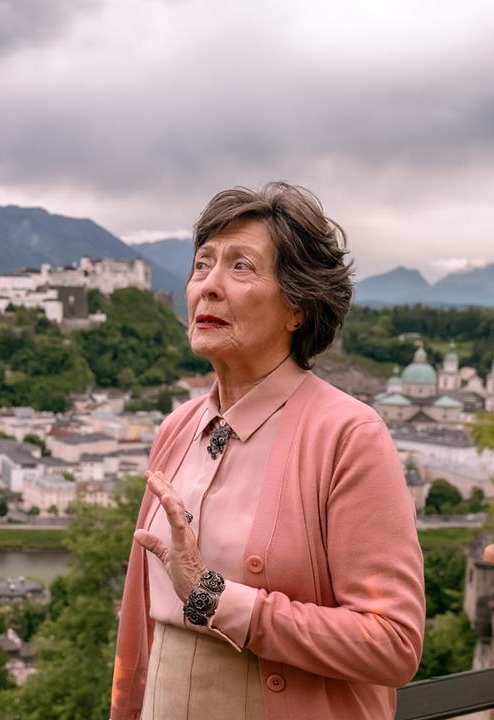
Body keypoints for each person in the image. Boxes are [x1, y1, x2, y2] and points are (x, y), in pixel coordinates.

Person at [110, 183, 425, 719]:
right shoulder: (176, 429)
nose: (207, 287)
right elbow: (139, 629)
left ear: (297, 307)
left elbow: (392, 643)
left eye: (240, 267)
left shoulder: (347, 435)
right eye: (201, 264)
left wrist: (215, 597)